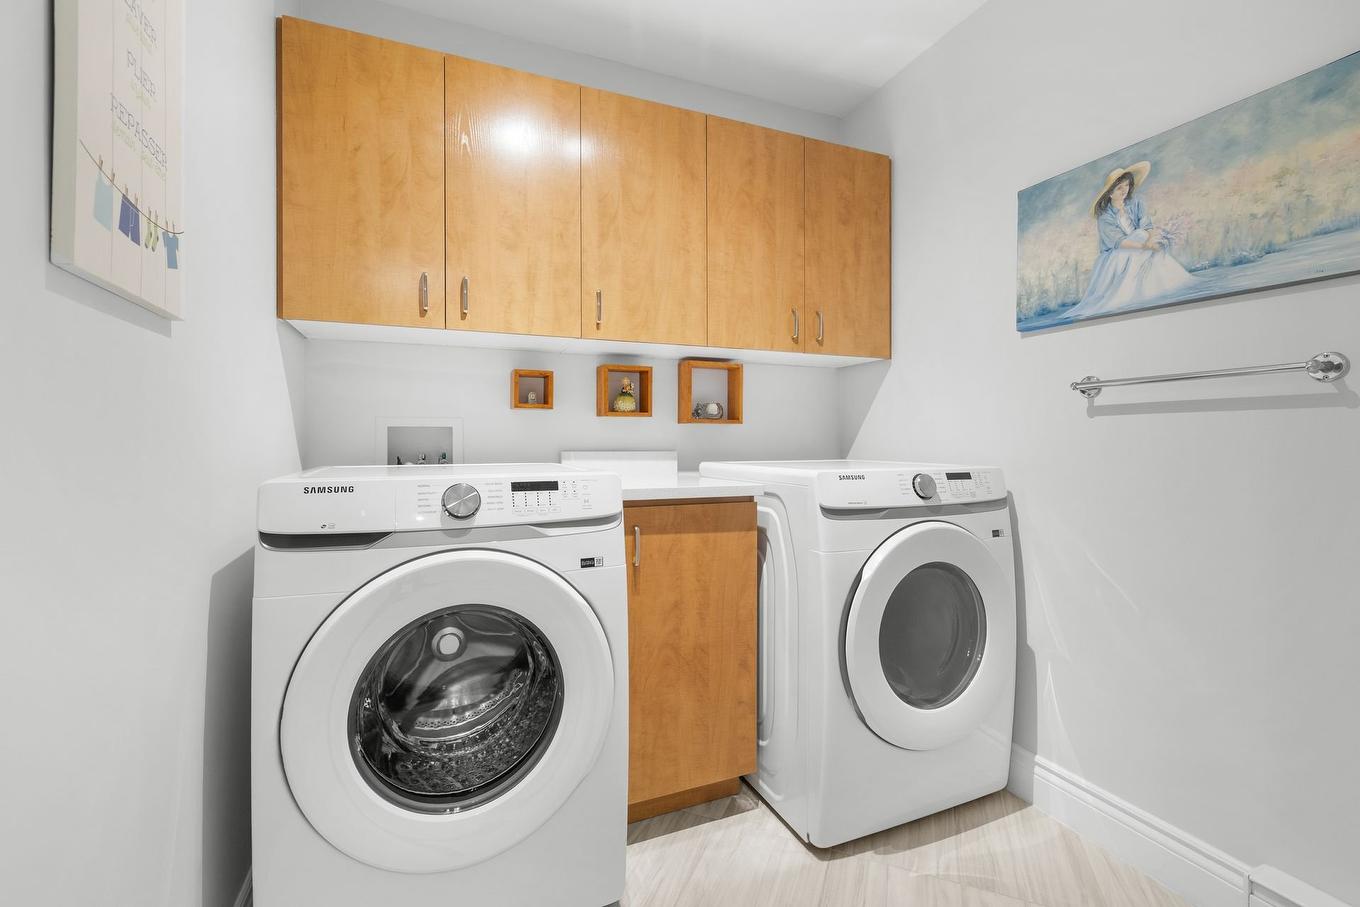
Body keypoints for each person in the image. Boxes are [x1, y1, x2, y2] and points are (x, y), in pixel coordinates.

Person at [1065, 161, 1194, 318]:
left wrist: (1150, 241)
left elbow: (1147, 225)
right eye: (1119, 188)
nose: (1124, 190)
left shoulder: (1136, 202)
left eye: (1126, 185)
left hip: (1140, 245)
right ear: (1110, 193)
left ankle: (1159, 287)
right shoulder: (1104, 217)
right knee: (1140, 236)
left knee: (1142, 235)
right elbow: (1119, 242)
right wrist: (1145, 246)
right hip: (1116, 255)